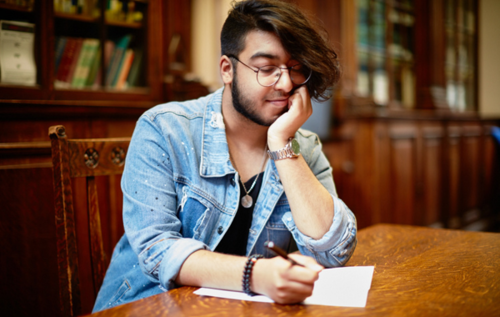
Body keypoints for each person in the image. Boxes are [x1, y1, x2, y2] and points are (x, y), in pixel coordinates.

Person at [93, 0, 357, 312]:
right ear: (227, 70)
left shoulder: (303, 147)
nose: (286, 84)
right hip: (149, 306)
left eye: (295, 68)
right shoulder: (163, 130)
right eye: (267, 69)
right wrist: (255, 275)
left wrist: (281, 143)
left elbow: (333, 252)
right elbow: (158, 250)